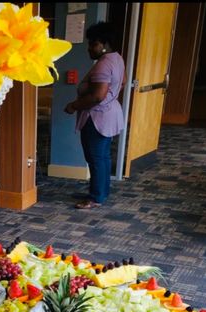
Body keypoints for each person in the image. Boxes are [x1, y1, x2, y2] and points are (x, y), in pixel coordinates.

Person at [64, 22, 125, 209]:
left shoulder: (104, 65)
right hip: (109, 113)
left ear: (103, 44)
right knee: (103, 157)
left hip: (97, 118)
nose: (89, 48)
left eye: (92, 44)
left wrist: (74, 106)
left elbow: (97, 95)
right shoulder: (117, 59)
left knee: (95, 158)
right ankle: (101, 191)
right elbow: (120, 84)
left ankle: (95, 198)